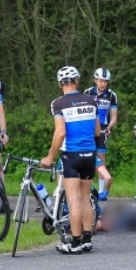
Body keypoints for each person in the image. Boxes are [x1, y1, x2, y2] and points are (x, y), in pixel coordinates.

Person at [42, 66, 101, 254]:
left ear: (61, 84)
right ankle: (86, 239)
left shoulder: (58, 104)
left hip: (72, 155)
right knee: (85, 198)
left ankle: (74, 243)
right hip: (90, 154)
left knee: (73, 199)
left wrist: (50, 156)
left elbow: (60, 132)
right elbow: (98, 131)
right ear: (77, 81)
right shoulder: (92, 101)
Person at [83, 67, 119, 201]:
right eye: (100, 81)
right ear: (95, 80)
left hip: (103, 128)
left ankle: (102, 190)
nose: (103, 84)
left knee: (101, 157)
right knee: (86, 156)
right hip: (88, 128)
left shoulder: (111, 95)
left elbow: (114, 116)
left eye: (105, 81)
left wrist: (109, 127)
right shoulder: (87, 92)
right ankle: (87, 188)